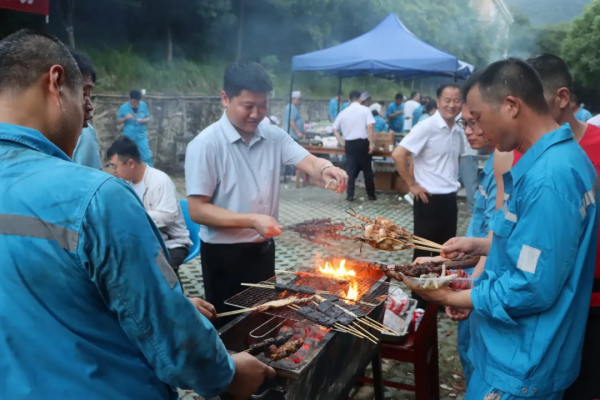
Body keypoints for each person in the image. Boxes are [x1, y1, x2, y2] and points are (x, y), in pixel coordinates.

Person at [0, 30, 274, 400]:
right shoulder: (97, 197)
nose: (87, 113)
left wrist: (168, 300)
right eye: (85, 96)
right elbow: (171, 338)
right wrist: (227, 374)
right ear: (55, 82)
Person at [418, 58, 599, 400]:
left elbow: (532, 285)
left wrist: (451, 296)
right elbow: (546, 250)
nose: (478, 130)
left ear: (511, 106)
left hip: (521, 364)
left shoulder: (549, 178)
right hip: (516, 353)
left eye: (478, 118)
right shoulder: (559, 158)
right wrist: (481, 247)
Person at [185, 61, 348, 324]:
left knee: (263, 320)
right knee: (230, 327)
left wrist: (327, 168)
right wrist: (251, 220)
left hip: (263, 251)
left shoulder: (274, 136)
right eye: (248, 106)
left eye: (262, 106)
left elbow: (309, 161)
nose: (256, 114)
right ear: (225, 98)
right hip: (224, 256)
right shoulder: (206, 145)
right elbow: (197, 210)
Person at [494, 53, 600, 399]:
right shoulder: (518, 151)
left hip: (591, 298)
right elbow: (506, 226)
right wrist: (478, 271)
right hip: (540, 300)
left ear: (562, 97)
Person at [392, 84, 463, 266]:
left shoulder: (458, 130)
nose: (452, 105)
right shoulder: (426, 127)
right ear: (438, 102)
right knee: (423, 252)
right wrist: (412, 184)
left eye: (456, 101)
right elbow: (398, 154)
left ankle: (440, 285)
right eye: (447, 100)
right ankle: (418, 286)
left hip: (450, 199)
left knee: (446, 252)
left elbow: (456, 160)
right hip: (428, 199)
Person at [107, 136, 193, 280]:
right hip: (144, 241)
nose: (113, 171)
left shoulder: (160, 180)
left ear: (131, 163)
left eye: (114, 166)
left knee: (162, 275)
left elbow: (168, 216)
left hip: (172, 242)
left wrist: (134, 215)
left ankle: (174, 294)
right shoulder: (126, 184)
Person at [332, 90, 376, 202]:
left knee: (350, 170)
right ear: (360, 98)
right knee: (367, 170)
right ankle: (371, 195)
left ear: (349, 100)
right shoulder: (365, 110)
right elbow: (370, 126)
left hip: (349, 144)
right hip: (363, 143)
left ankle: (350, 194)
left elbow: (334, 128)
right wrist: (371, 143)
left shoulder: (343, 112)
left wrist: (342, 142)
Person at [70, 49, 102, 169]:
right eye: (83, 93)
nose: (89, 106)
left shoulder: (84, 133)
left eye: (89, 93)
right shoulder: (83, 133)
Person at [117, 90, 153, 166]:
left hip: (141, 134)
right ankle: (128, 171)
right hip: (129, 135)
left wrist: (143, 120)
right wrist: (125, 118)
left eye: (138, 102)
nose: (136, 103)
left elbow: (148, 118)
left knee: (146, 154)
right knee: (128, 155)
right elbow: (118, 121)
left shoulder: (143, 105)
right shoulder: (123, 107)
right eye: (134, 101)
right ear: (130, 99)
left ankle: (149, 170)